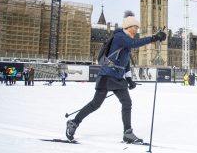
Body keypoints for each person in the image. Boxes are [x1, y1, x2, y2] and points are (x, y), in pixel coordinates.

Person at [65, 11, 166, 143]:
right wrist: (154, 38)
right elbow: (135, 43)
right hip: (107, 75)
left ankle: (127, 133)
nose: (137, 30)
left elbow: (126, 61)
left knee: (127, 102)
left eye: (137, 28)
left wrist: (129, 79)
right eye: (135, 27)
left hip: (118, 78)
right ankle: (74, 123)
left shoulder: (126, 41)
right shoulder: (120, 37)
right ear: (128, 27)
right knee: (96, 104)